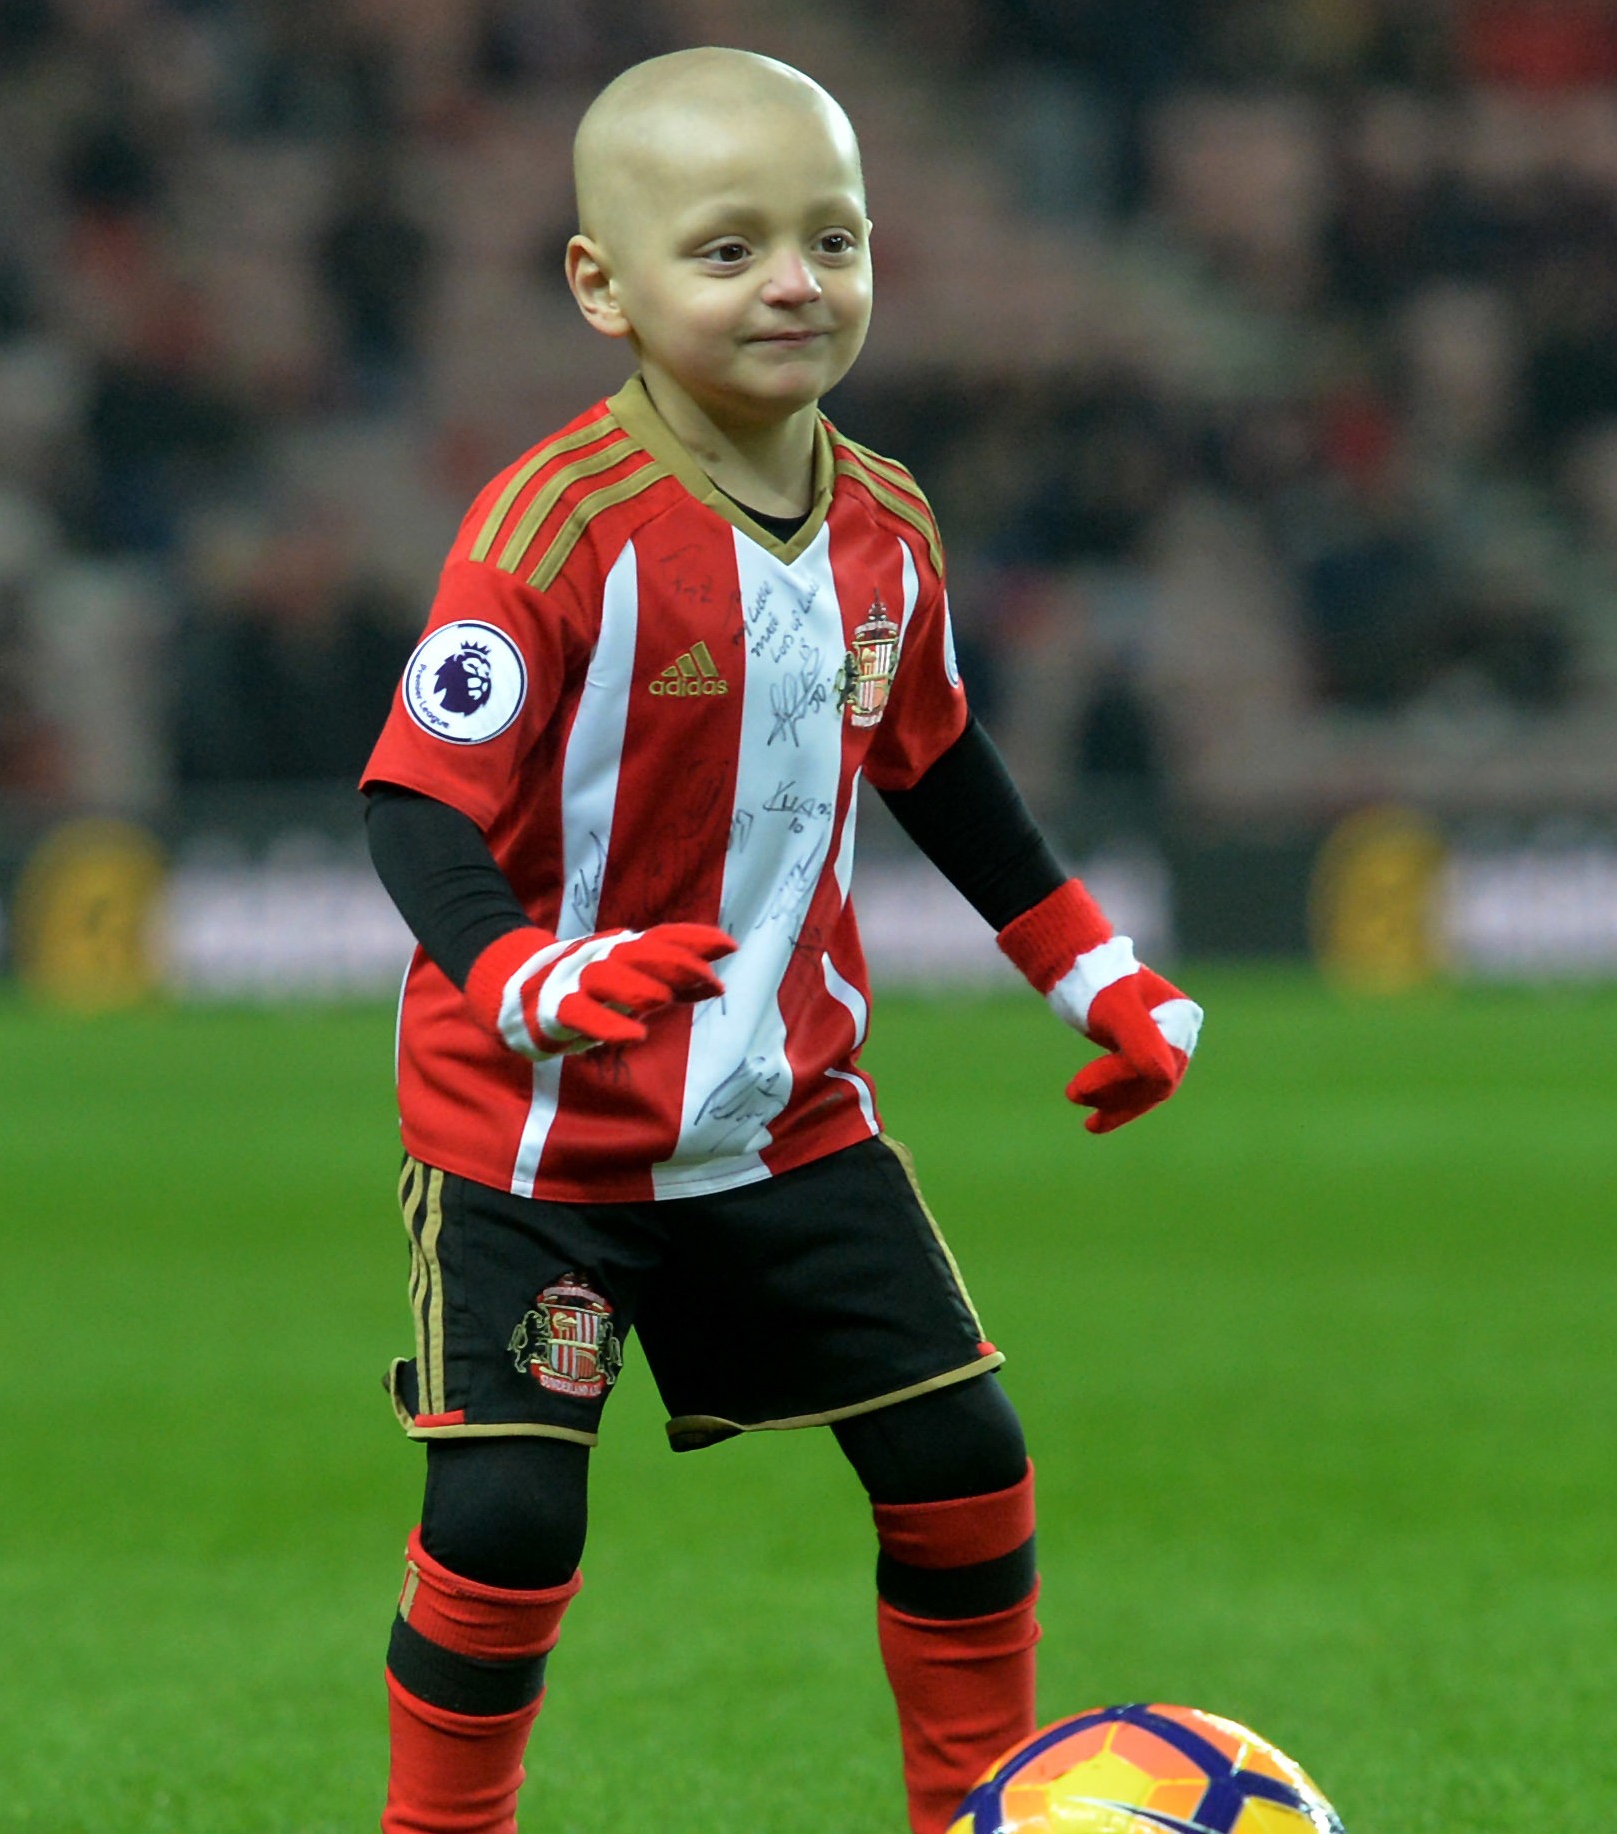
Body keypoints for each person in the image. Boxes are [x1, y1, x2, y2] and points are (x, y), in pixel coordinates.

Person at [353, 48, 1204, 1834]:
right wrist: (525, 975)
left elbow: (939, 760)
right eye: (727, 249)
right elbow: (415, 802)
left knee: (961, 1458)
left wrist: (1094, 969)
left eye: (833, 238)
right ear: (602, 287)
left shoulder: (886, 520)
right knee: (506, 1515)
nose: (794, 283)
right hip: (535, 1136)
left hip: (782, 1114)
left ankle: (970, 1815)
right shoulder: (554, 528)